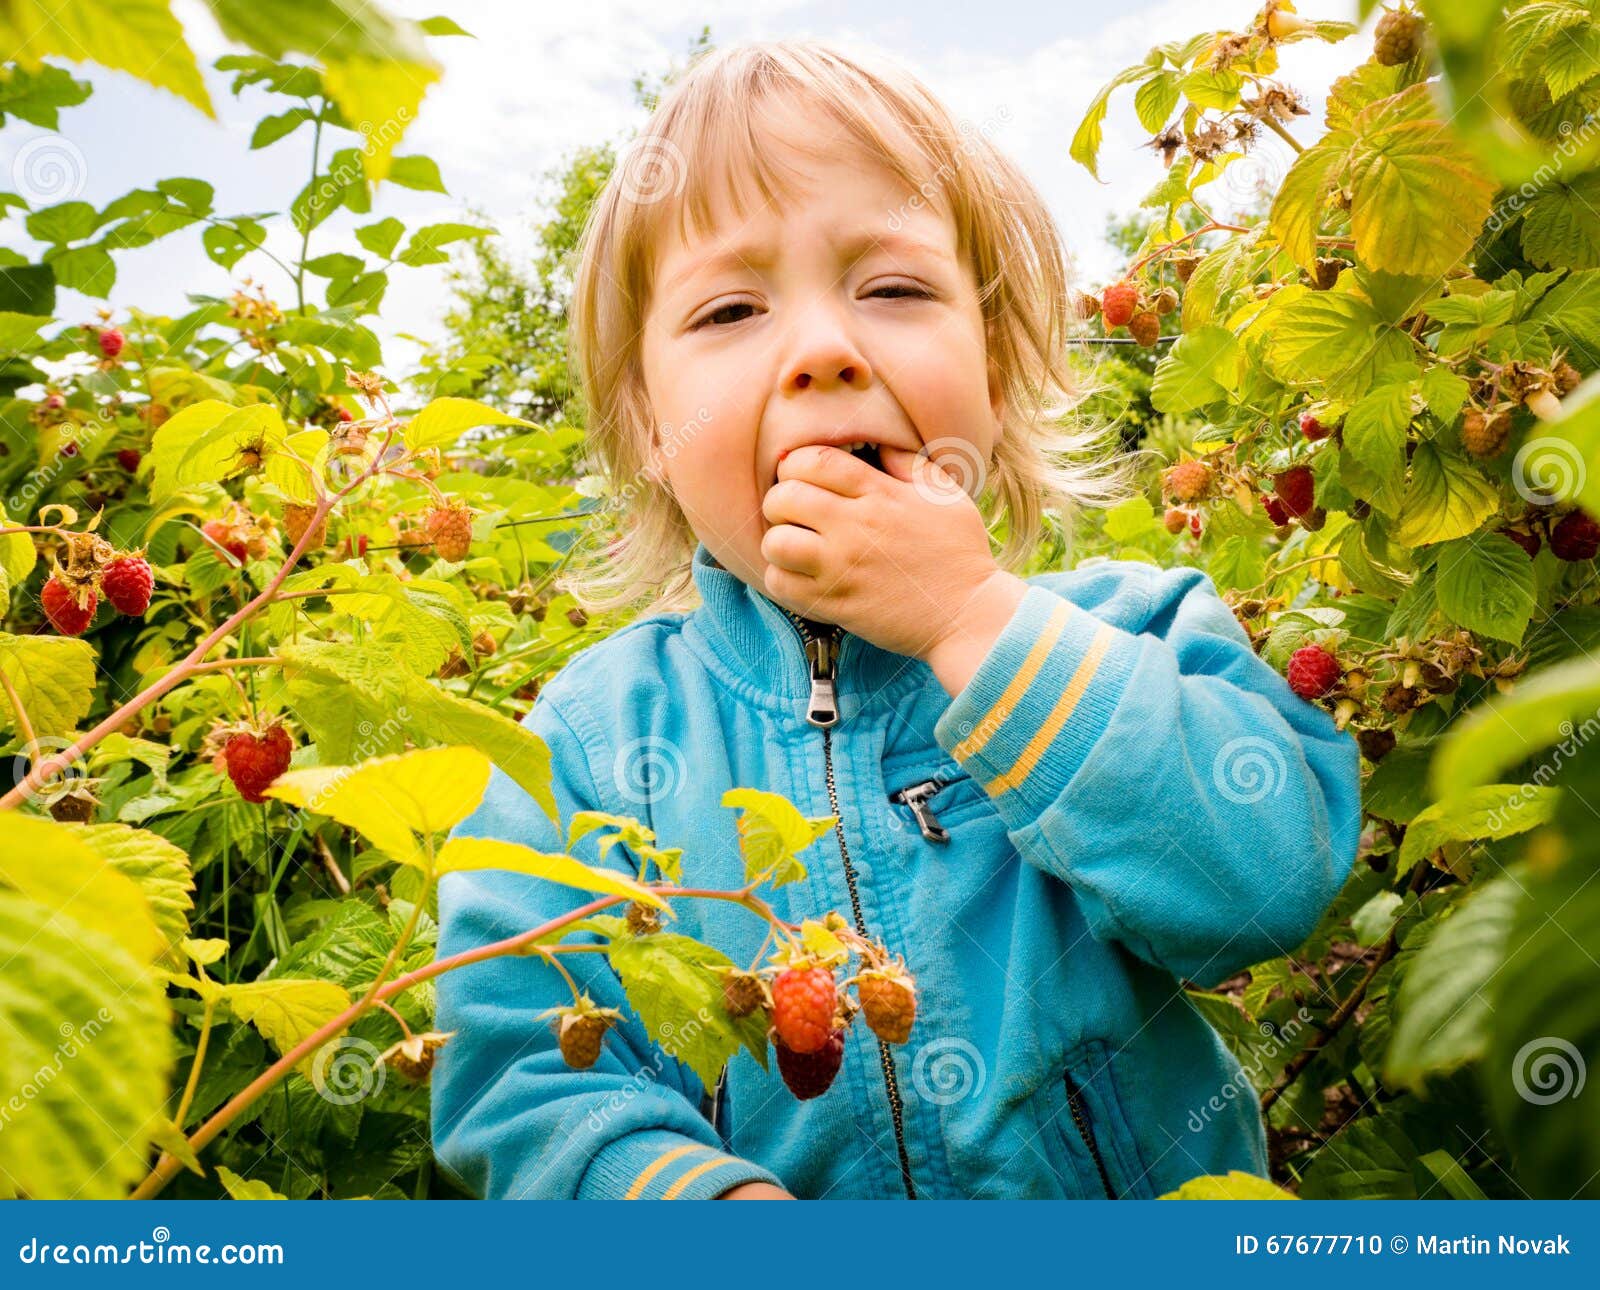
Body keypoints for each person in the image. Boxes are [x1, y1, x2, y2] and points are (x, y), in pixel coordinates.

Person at [430, 37, 1361, 1200]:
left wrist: (972, 618)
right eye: (730, 309)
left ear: (995, 368)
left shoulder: (1132, 634)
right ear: (652, 432)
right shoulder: (580, 744)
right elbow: (516, 1073)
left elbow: (1264, 889)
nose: (824, 351)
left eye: (893, 289)